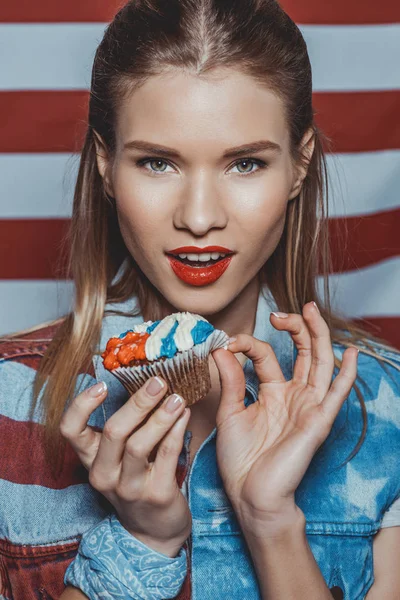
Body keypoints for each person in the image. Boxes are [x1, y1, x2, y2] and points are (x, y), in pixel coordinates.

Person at [1, 0, 400, 598]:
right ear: (106, 165)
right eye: (158, 162)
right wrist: (141, 544)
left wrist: (271, 522)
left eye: (245, 163)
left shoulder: (386, 408)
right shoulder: (10, 400)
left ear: (299, 165)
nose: (199, 217)